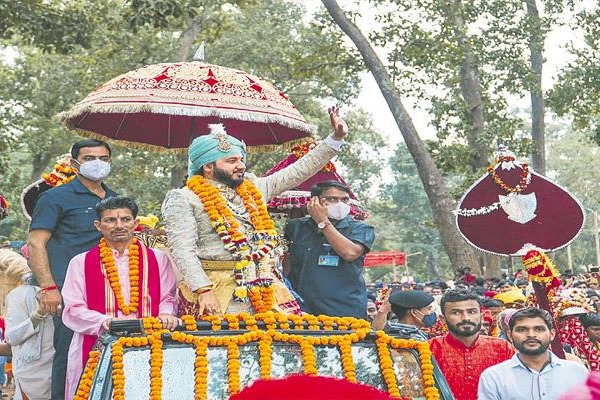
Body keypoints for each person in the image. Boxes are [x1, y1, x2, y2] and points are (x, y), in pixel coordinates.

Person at [161, 106, 348, 317]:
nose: (240, 166)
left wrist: (335, 139)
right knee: (221, 348)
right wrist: (203, 289)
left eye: (241, 159)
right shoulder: (184, 198)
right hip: (215, 291)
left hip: (264, 285)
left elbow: (298, 171)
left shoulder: (253, 188)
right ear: (207, 167)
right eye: (231, 161)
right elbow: (182, 250)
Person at [27, 138, 117, 400]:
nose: (97, 163)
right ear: (74, 163)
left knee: (107, 351)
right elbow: (36, 243)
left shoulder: (114, 200)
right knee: (68, 352)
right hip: (67, 291)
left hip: (110, 290)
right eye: (90, 158)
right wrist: (48, 287)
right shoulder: (55, 197)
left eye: (103, 158)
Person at [62, 196, 178, 400]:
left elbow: (167, 297)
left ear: (135, 223)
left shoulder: (158, 259)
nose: (118, 225)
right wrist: (105, 322)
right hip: (99, 344)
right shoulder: (80, 262)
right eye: (110, 220)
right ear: (98, 225)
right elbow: (73, 309)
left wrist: (166, 314)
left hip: (149, 344)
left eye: (125, 219)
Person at [285, 180, 375, 318]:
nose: (339, 204)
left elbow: (350, 253)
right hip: (302, 310)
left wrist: (323, 221)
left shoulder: (359, 229)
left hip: (344, 311)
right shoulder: (296, 227)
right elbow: (287, 260)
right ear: (314, 202)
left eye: (344, 200)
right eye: (332, 199)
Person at [478, 307, 589, 400]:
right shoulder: (494, 377)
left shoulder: (577, 372)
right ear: (510, 335)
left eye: (539, 329)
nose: (531, 335)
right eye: (522, 330)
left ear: (551, 334)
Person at [428, 289, 513, 400]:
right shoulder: (429, 349)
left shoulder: (502, 348)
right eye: (456, 312)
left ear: (481, 315)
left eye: (472, 312)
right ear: (443, 319)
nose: (466, 318)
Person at [1, 248, 54, 400]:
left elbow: (11, 338)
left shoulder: (19, 294)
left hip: (40, 375)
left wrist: (38, 315)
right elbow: (12, 341)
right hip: (34, 377)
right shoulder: (21, 294)